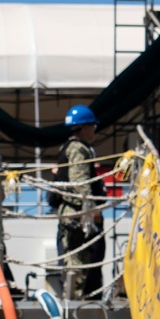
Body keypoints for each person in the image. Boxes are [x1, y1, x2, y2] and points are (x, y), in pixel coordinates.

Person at [57, 103, 105, 301]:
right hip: (77, 214)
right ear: (84, 127)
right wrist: (93, 211)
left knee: (76, 261)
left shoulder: (68, 147)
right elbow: (80, 183)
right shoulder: (79, 149)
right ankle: (75, 302)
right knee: (78, 262)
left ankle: (75, 298)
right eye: (92, 126)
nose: (94, 130)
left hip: (71, 213)